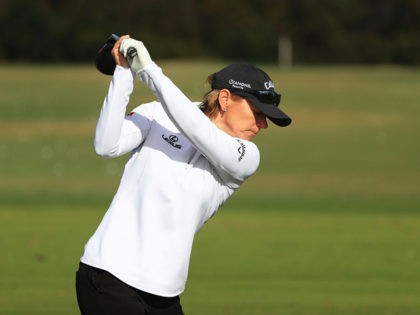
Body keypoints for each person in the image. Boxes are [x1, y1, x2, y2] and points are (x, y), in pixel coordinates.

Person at [76, 34, 291, 315]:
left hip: (164, 294)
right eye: (258, 112)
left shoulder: (246, 156)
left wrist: (150, 71)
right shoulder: (156, 113)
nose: (262, 125)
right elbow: (106, 145)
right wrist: (125, 72)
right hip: (108, 275)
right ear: (225, 99)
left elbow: (198, 130)